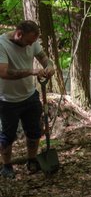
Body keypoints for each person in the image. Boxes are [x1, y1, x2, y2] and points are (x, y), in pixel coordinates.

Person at [0, 20, 56, 178]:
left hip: (30, 96)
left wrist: (49, 66)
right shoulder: (2, 45)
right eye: (28, 41)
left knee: (34, 132)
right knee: (7, 136)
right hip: (7, 100)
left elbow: (43, 58)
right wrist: (31, 71)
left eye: (33, 42)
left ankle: (32, 160)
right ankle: (6, 165)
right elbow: (3, 72)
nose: (31, 45)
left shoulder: (32, 41)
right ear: (19, 34)